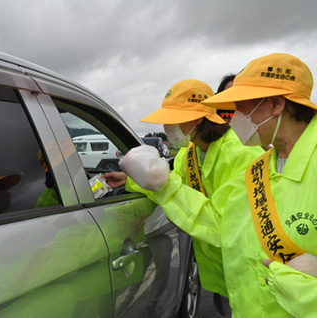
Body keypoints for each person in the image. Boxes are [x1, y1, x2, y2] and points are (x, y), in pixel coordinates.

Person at [119, 53, 317, 317]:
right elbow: (222, 224)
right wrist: (157, 183)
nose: (234, 116)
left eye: (242, 105)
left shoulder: (248, 158)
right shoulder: (260, 168)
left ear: (276, 105)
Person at [105, 79, 263, 304]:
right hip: (221, 271)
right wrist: (130, 180)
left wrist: (163, 183)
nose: (167, 128)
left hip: (249, 269)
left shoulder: (244, 155)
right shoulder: (189, 152)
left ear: (198, 118)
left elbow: (226, 224)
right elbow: (164, 186)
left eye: (173, 120)